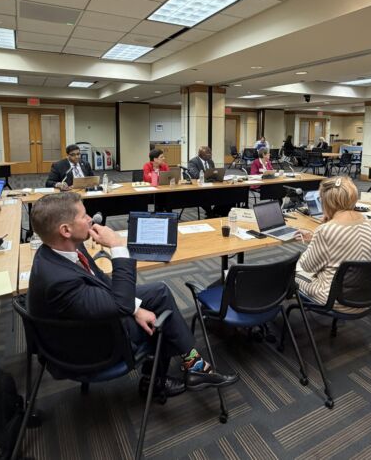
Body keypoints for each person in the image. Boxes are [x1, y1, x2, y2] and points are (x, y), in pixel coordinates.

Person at [26, 192, 238, 396]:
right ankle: (162, 380)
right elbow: (119, 306)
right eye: (83, 216)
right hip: (91, 346)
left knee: (160, 292)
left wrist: (136, 309)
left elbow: (101, 280)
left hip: (87, 317)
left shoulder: (61, 250)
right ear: (65, 230)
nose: (91, 219)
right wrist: (117, 246)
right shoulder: (59, 281)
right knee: (161, 319)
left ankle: (193, 367)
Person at [293, 177, 371, 313]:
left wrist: (318, 236)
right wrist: (316, 237)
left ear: (327, 202)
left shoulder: (326, 230)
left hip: (336, 300)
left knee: (293, 272)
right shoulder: (365, 221)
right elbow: (344, 244)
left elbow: (307, 266)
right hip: (364, 296)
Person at [187, 146, 230, 217]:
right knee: (206, 196)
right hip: (199, 188)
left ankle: (217, 211)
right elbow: (196, 175)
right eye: (208, 154)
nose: (211, 155)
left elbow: (214, 173)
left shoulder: (210, 161)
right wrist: (207, 176)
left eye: (210, 153)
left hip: (212, 185)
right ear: (202, 155)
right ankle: (210, 213)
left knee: (227, 193)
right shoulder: (193, 162)